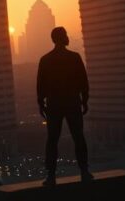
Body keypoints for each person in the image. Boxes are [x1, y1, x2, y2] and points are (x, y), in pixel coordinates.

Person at [36, 26, 92, 186]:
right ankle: (84, 171)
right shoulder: (74, 58)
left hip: (54, 104)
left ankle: (51, 175)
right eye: (66, 35)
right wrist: (84, 100)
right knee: (78, 137)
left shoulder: (45, 60)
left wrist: (41, 103)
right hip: (72, 102)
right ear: (61, 38)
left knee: (52, 140)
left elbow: (40, 86)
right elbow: (83, 81)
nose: (68, 37)